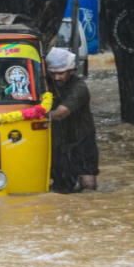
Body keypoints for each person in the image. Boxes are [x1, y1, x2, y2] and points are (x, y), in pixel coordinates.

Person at [46, 47, 98, 193]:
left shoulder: (79, 88)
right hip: (60, 142)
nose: (57, 78)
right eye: (54, 73)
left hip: (82, 139)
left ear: (71, 71)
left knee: (88, 183)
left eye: (61, 73)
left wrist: (32, 115)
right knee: (61, 186)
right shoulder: (46, 85)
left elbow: (59, 114)